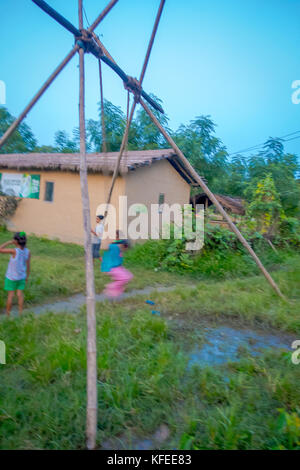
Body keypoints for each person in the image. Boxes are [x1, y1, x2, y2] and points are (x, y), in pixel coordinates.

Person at [0, 232, 31, 316]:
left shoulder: (14, 251)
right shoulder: (28, 251)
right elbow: (28, 266)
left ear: (16, 241)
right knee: (20, 295)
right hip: (22, 277)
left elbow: (0, 249)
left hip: (11, 277)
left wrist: (9, 242)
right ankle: (20, 314)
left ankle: (8, 315)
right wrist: (27, 277)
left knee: (10, 296)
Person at [101, 230, 133, 298]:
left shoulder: (119, 248)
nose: (125, 250)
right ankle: (110, 287)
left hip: (118, 267)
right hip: (112, 268)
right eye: (126, 248)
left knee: (129, 276)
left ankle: (117, 289)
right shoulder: (115, 247)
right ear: (123, 246)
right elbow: (106, 248)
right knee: (125, 278)